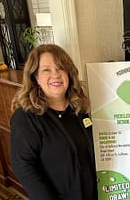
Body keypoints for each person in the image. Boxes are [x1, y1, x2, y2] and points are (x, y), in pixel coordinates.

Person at [10, 44, 98, 200]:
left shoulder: (80, 110)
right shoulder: (26, 117)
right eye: (46, 70)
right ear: (35, 77)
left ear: (69, 74)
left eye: (60, 68)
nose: (55, 75)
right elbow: (23, 166)